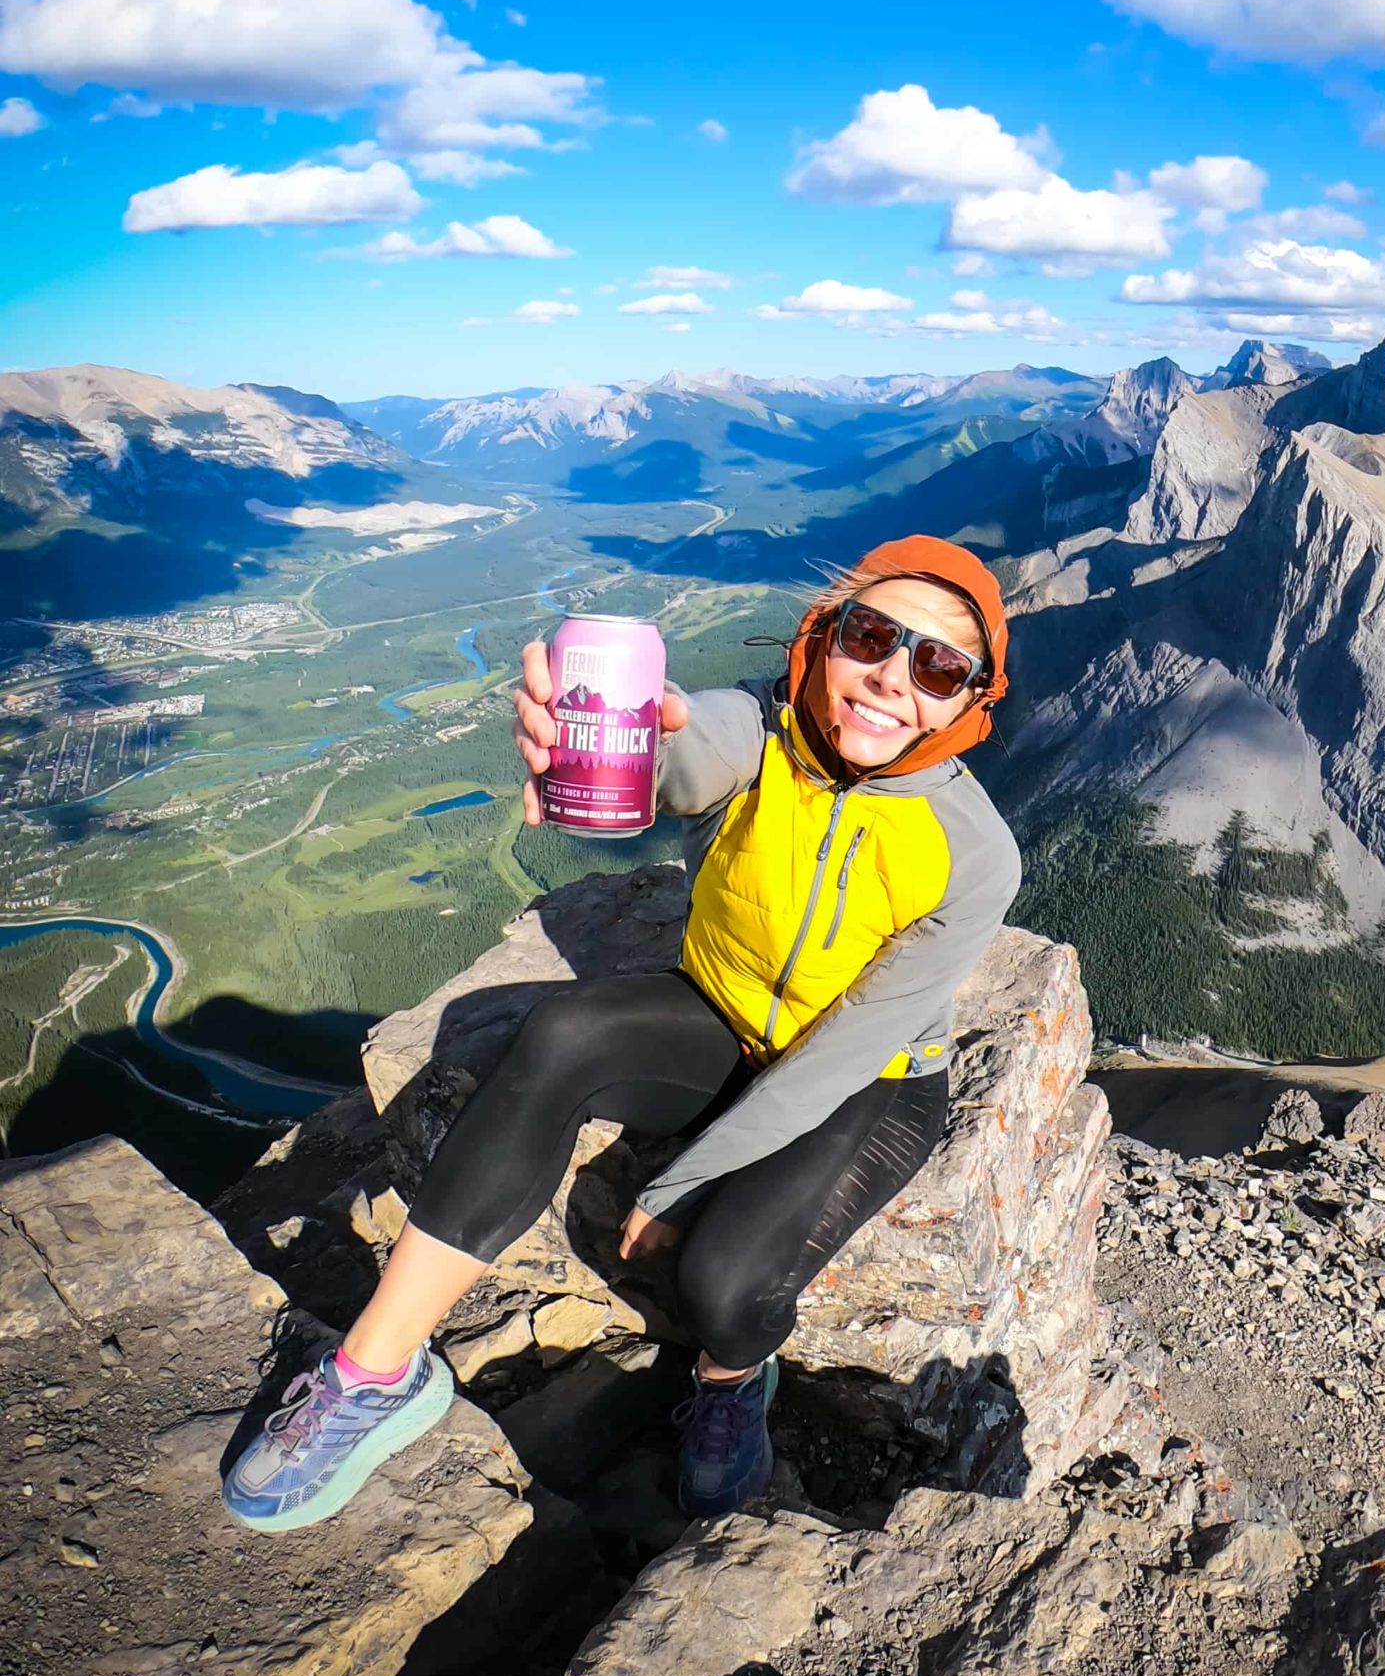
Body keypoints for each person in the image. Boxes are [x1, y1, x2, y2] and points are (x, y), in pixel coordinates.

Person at [220, 535, 1021, 1532]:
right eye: (871, 635)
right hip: (723, 1013)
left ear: (969, 700)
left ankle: (733, 1385)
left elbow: (856, 1046)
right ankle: (374, 1370)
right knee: (559, 1034)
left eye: (939, 663)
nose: (893, 678)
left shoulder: (974, 852)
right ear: (825, 636)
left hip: (871, 1078)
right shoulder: (763, 728)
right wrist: (624, 736)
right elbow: (690, 754)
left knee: (721, 1283)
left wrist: (687, 1177)